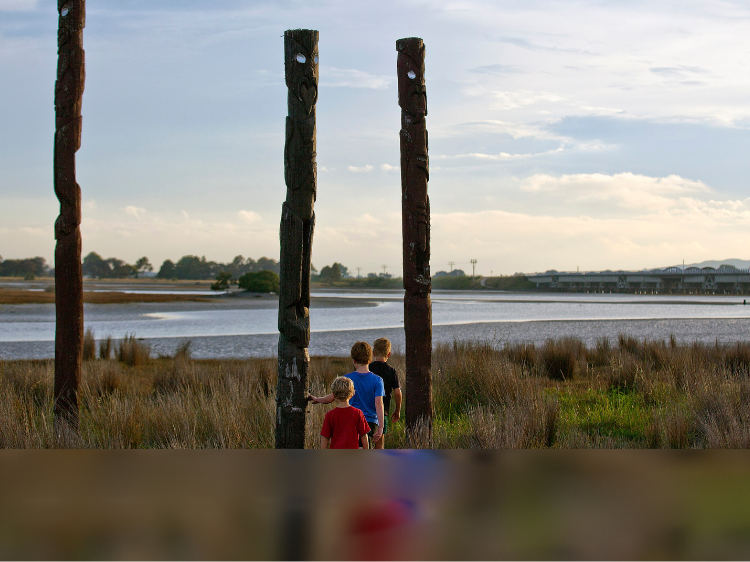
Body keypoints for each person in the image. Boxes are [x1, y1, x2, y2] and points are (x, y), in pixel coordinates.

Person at [311, 341, 385, 447]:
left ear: (354, 360)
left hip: (350, 421)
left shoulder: (347, 379)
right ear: (370, 359)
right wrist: (381, 427)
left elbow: (331, 397)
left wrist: (317, 399)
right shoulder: (377, 380)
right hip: (371, 423)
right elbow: (379, 404)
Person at [368, 338, 402, 449]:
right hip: (383, 412)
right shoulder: (391, 371)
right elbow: (397, 392)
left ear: (373, 353)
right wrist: (397, 410)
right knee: (380, 442)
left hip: (366, 410)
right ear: (389, 354)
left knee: (364, 441)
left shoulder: (368, 369)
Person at [319, 376, 370, 449]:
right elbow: (364, 436)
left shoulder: (330, 415)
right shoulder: (358, 413)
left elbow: (325, 437)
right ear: (352, 394)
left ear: (334, 394)